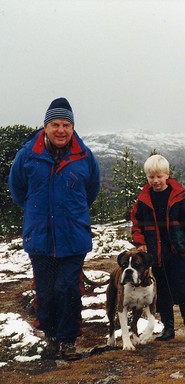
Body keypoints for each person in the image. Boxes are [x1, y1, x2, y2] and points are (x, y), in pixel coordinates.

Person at [8, 97, 100, 360]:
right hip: (41, 238)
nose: (61, 130)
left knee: (68, 289)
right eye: (56, 124)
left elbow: (90, 190)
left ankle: (68, 341)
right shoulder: (27, 156)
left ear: (73, 128)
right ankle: (50, 337)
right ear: (45, 127)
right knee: (46, 293)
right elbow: (18, 190)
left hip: (73, 237)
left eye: (67, 125)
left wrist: (71, 214)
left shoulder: (85, 157)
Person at [131, 154, 185, 341]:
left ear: (167, 175)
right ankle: (168, 328)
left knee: (183, 286)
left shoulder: (178, 196)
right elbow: (136, 224)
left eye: (159, 177)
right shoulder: (144, 199)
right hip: (155, 254)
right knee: (162, 290)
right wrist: (140, 242)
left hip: (177, 251)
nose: (155, 181)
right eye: (151, 177)